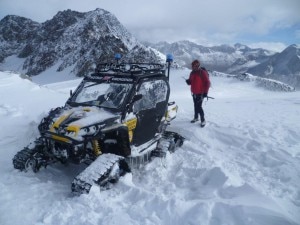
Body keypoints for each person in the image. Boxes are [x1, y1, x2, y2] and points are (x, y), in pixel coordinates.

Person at [186, 59, 210, 127]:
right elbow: (191, 81)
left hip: (201, 93)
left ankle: (203, 120)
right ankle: (196, 117)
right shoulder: (192, 73)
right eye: (193, 66)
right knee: (195, 105)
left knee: (199, 107)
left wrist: (205, 92)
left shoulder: (202, 72)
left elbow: (207, 83)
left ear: (198, 66)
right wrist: (189, 82)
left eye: (195, 66)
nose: (193, 67)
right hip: (194, 93)